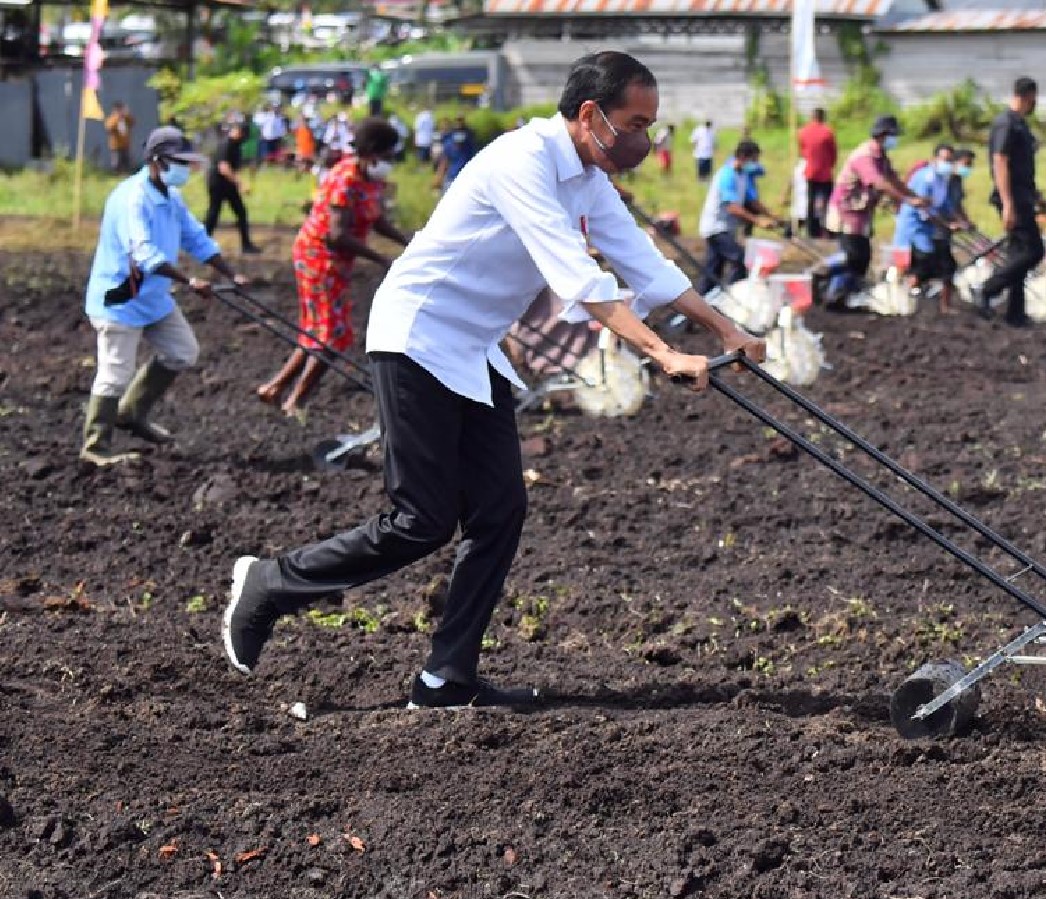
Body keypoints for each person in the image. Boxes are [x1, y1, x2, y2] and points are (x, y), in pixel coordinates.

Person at [223, 50, 765, 710]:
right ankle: (273, 583)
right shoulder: (523, 161)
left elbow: (645, 266)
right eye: (636, 121)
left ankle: (446, 677)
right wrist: (660, 350)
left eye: (652, 124)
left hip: (474, 347)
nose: (644, 139)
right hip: (416, 334)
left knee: (499, 508)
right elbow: (580, 281)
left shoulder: (587, 178)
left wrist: (725, 329)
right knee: (422, 518)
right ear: (590, 114)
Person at [80, 126, 247, 466]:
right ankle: (95, 447)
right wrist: (189, 282)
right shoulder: (132, 199)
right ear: (157, 162)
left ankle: (131, 412)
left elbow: (196, 237)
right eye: (180, 162)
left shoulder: (170, 196)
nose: (186, 169)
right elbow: (143, 253)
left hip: (153, 297)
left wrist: (232, 273)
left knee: (182, 351)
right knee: (115, 371)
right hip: (121, 300)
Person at [257, 119, 410, 418]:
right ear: (373, 153)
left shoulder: (369, 179)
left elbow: (375, 219)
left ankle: (274, 389)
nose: (391, 162)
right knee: (333, 335)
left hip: (334, 260)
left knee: (317, 331)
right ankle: (296, 401)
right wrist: (381, 260)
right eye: (389, 155)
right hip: (319, 257)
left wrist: (407, 241)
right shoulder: (346, 178)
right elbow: (336, 234)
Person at [825, 114, 928, 306]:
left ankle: (848, 293)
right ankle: (829, 284)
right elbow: (879, 183)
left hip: (861, 212)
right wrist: (906, 200)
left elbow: (893, 179)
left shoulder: (881, 157)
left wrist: (915, 197)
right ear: (882, 135)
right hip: (846, 211)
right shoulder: (864, 156)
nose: (894, 140)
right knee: (852, 255)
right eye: (892, 135)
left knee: (863, 255)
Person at [972, 77, 1045, 328]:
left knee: (1017, 254)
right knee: (1033, 251)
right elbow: (1000, 161)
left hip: (1023, 195)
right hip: (1013, 197)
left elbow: (1022, 166)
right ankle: (987, 290)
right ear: (1028, 96)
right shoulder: (1006, 124)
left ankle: (1016, 313)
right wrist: (1008, 203)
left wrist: (1036, 195)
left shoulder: (1020, 125)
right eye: (1034, 99)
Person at [893, 143, 973, 312]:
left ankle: (943, 305)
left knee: (946, 265)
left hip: (932, 227)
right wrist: (947, 224)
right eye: (945, 159)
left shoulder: (943, 179)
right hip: (915, 226)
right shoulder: (925, 177)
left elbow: (946, 205)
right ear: (935, 159)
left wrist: (961, 222)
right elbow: (923, 209)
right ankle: (904, 295)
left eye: (950, 160)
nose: (948, 163)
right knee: (925, 260)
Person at [698, 139, 778, 293]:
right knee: (741, 259)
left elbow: (752, 201)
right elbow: (732, 207)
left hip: (725, 228)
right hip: (716, 227)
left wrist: (772, 216)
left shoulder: (742, 175)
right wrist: (758, 221)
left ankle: (704, 302)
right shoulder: (727, 174)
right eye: (754, 160)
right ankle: (733, 295)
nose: (755, 164)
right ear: (742, 157)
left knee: (713, 270)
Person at [203, 119, 260, 255]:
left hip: (228, 184)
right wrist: (240, 183)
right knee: (214, 213)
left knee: (240, 212)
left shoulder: (236, 145)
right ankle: (202, 244)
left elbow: (234, 165)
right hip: (217, 183)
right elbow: (224, 167)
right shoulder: (226, 144)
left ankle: (246, 245)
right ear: (238, 131)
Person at [797, 107, 837, 238]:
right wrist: (830, 165)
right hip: (825, 172)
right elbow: (833, 153)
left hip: (810, 172)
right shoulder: (828, 132)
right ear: (823, 117)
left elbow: (802, 151)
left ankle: (811, 230)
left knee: (810, 201)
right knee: (828, 202)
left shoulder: (803, 132)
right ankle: (827, 229)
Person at [435, 116, 478, 191]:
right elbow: (444, 162)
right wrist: (439, 178)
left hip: (465, 179)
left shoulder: (469, 142)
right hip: (452, 178)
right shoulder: (449, 143)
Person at [104, 101, 135, 173]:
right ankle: (117, 174)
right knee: (116, 163)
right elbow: (109, 127)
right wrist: (117, 118)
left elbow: (133, 122)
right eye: (119, 110)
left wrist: (127, 115)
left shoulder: (126, 118)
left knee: (127, 161)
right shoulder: (112, 119)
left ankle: (126, 173)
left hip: (126, 145)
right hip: (116, 146)